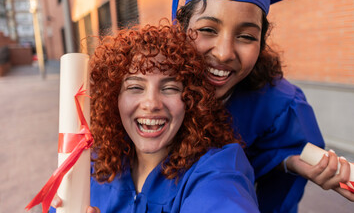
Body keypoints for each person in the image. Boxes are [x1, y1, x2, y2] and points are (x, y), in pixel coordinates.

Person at [160, 0, 354, 212]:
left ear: (262, 43)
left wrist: (289, 163)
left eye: (246, 36)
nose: (224, 53)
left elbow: (277, 163)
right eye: (208, 29)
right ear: (180, 29)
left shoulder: (279, 105)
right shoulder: (146, 87)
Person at [51, 22, 260, 213]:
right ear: (114, 98)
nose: (151, 104)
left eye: (169, 88)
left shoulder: (216, 170)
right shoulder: (91, 165)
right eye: (134, 87)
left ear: (191, 99)